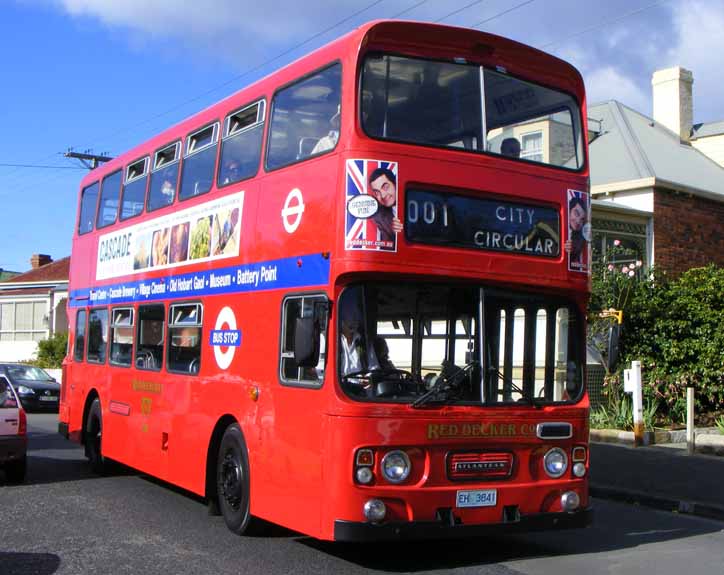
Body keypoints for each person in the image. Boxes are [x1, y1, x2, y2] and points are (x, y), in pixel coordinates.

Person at [368, 167, 403, 244]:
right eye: (377, 193)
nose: (383, 195)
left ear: (395, 184)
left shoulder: (413, 202)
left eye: (385, 187)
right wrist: (396, 234)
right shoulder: (379, 217)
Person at [565, 194, 588, 266]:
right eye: (576, 213)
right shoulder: (552, 227)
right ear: (569, 211)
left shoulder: (581, 240)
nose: (578, 221)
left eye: (582, 219)